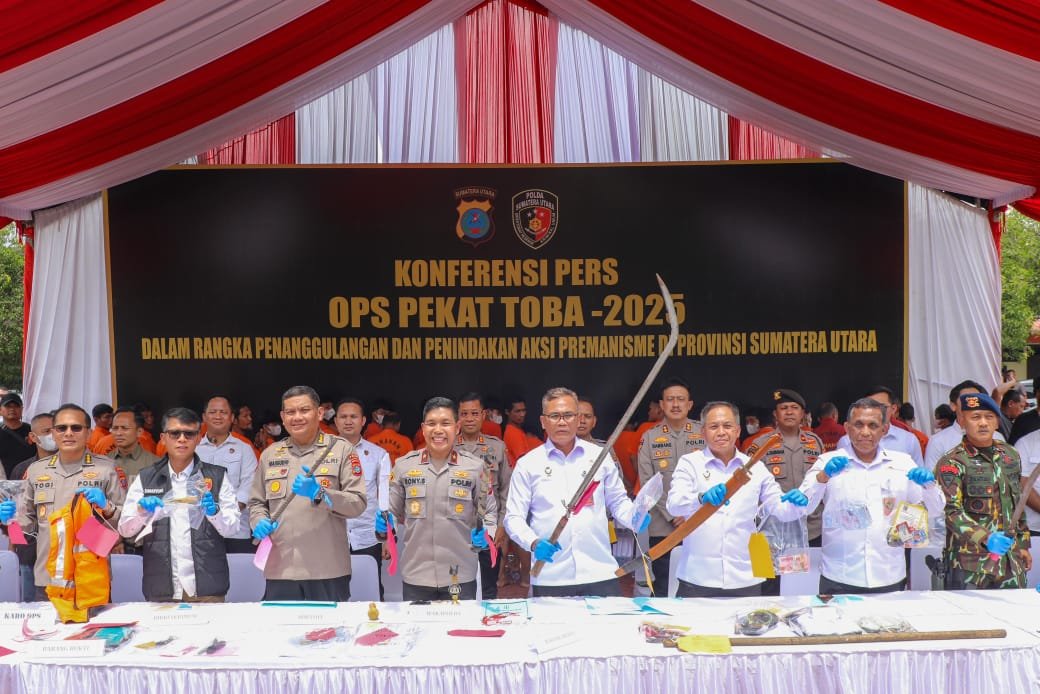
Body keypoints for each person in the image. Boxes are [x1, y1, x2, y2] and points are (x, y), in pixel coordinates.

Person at [504, 387, 650, 597]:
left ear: (578, 418)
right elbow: (513, 518)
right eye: (554, 416)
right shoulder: (528, 464)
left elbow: (618, 502)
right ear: (543, 421)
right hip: (551, 575)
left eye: (568, 415)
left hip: (600, 571)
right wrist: (533, 542)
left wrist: (634, 516)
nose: (562, 422)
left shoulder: (599, 457)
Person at [798, 398, 945, 594]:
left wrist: (929, 486)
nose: (865, 432)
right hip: (839, 574)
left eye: (873, 425)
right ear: (847, 428)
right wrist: (822, 477)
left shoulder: (902, 463)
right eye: (858, 425)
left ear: (884, 430)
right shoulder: (828, 462)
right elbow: (803, 507)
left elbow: (934, 510)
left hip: (889, 573)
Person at [666, 401, 807, 597]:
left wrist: (796, 503)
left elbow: (780, 509)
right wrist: (701, 498)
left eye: (727, 426)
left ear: (738, 430)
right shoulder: (690, 463)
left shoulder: (755, 468)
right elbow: (674, 505)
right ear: (703, 432)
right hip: (697, 576)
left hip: (746, 576)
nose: (721, 432)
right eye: (714, 427)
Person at [248, 386, 366, 601]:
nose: (297, 417)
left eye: (304, 410)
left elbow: (357, 503)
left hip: (327, 569)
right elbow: (256, 503)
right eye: (290, 412)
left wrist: (319, 493)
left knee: (328, 624)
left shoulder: (341, 449)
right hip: (281, 568)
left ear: (319, 413)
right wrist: (258, 521)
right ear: (283, 417)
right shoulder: (270, 454)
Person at [2, 404, 125, 600]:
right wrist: (9, 522)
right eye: (61, 428)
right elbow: (23, 535)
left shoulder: (106, 470)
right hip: (49, 581)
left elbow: (125, 528)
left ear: (88, 433)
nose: (68, 433)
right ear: (53, 433)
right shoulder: (36, 471)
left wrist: (107, 508)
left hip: (91, 579)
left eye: (76, 428)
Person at [117, 407, 240, 602]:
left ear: (198, 438)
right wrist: (141, 512)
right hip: (161, 586)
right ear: (163, 438)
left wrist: (214, 513)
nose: (182, 439)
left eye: (189, 434)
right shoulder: (146, 477)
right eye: (175, 433)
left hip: (207, 587)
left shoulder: (216, 476)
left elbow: (232, 528)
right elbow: (125, 530)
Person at [383, 397, 496, 600]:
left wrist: (487, 534)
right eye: (431, 423)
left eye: (445, 423)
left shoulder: (475, 467)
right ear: (423, 428)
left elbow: (489, 512)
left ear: (457, 427)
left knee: (460, 622)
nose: (438, 430)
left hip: (460, 574)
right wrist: (384, 525)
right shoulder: (403, 466)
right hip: (416, 575)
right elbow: (391, 512)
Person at [936, 392, 1031, 589]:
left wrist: (1022, 544)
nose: (983, 423)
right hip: (971, 566)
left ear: (997, 422)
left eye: (989, 417)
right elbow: (950, 512)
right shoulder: (952, 462)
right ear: (962, 421)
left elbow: (1018, 502)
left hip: (1011, 562)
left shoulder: (1010, 455)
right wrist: (986, 538)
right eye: (975, 417)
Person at [746, 389, 825, 594]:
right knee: (767, 588)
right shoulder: (760, 444)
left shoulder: (815, 442)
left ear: (803, 414)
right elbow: (749, 487)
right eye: (783, 408)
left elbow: (823, 484)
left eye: (794, 408)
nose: (789, 412)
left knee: (803, 587)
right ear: (775, 414)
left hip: (809, 528)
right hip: (770, 532)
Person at [635, 379, 705, 593]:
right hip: (663, 526)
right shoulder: (649, 437)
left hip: (701, 523)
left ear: (690, 404)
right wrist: (673, 514)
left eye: (680, 399)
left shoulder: (705, 433)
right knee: (664, 584)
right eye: (670, 399)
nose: (675, 404)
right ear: (662, 405)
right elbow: (648, 483)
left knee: (699, 583)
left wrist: (691, 513)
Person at [454, 392, 510, 600]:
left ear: (483, 415)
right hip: (455, 529)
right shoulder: (448, 446)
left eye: (474, 413)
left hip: (489, 528)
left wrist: (502, 525)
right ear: (458, 416)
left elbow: (506, 490)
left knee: (488, 588)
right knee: (456, 587)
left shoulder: (497, 447)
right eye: (464, 414)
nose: (469, 418)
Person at [334, 397, 391, 600]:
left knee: (371, 591)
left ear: (363, 420)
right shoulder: (322, 454)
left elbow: (385, 497)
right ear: (336, 421)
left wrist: (387, 538)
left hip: (367, 535)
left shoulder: (378, 454)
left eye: (354, 416)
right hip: (332, 536)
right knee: (334, 593)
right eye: (343, 417)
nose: (348, 421)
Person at [196, 396, 259, 554]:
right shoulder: (193, 449)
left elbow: (249, 486)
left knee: (237, 570)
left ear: (231, 418)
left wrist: (223, 516)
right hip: (200, 531)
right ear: (204, 417)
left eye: (223, 412)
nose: (218, 416)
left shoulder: (244, 449)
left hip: (236, 531)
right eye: (213, 412)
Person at [9, 412, 55, 601]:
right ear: (33, 437)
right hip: (30, 554)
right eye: (46, 431)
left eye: (55, 430)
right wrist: (14, 548)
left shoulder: (75, 467)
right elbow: (14, 514)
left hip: (66, 555)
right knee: (34, 610)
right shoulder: (22, 470)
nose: (52, 435)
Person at [836, 387, 923, 467]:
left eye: (882, 407)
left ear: (893, 409)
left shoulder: (909, 440)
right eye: (870, 406)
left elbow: (918, 474)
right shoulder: (846, 441)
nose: (875, 411)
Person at [925, 380, 1003, 469]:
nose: (971, 404)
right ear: (953, 405)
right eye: (966, 400)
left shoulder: (997, 437)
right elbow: (931, 476)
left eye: (976, 400)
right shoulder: (938, 442)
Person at [109, 406, 160, 482]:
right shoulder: (105, 461)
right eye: (115, 428)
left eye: (125, 428)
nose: (118, 433)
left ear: (139, 432)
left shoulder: (155, 464)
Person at [0, 393, 35, 478]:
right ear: (0, 410)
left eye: (16, 406)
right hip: (5, 481)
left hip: (31, 478)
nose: (12, 409)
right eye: (8, 406)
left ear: (22, 409)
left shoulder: (33, 430)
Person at [502, 397, 534, 465]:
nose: (522, 414)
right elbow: (524, 461)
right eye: (518, 411)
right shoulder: (513, 432)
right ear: (507, 412)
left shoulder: (516, 430)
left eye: (523, 410)